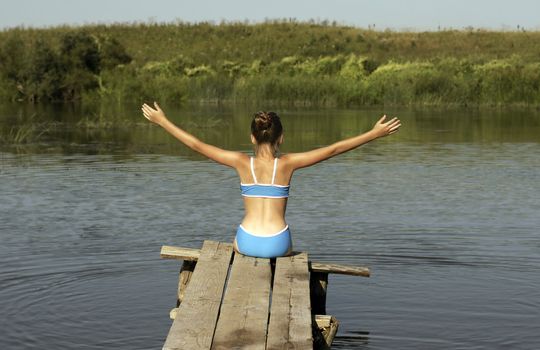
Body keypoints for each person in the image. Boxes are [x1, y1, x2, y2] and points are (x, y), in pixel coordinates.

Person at [141, 102, 401, 258]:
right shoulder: (288, 164)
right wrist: (373, 134)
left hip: (247, 240)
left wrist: (162, 121)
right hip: (278, 242)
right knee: (286, 240)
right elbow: (333, 149)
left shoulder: (241, 163)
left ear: (252, 137)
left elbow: (197, 144)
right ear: (282, 138)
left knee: (235, 241)